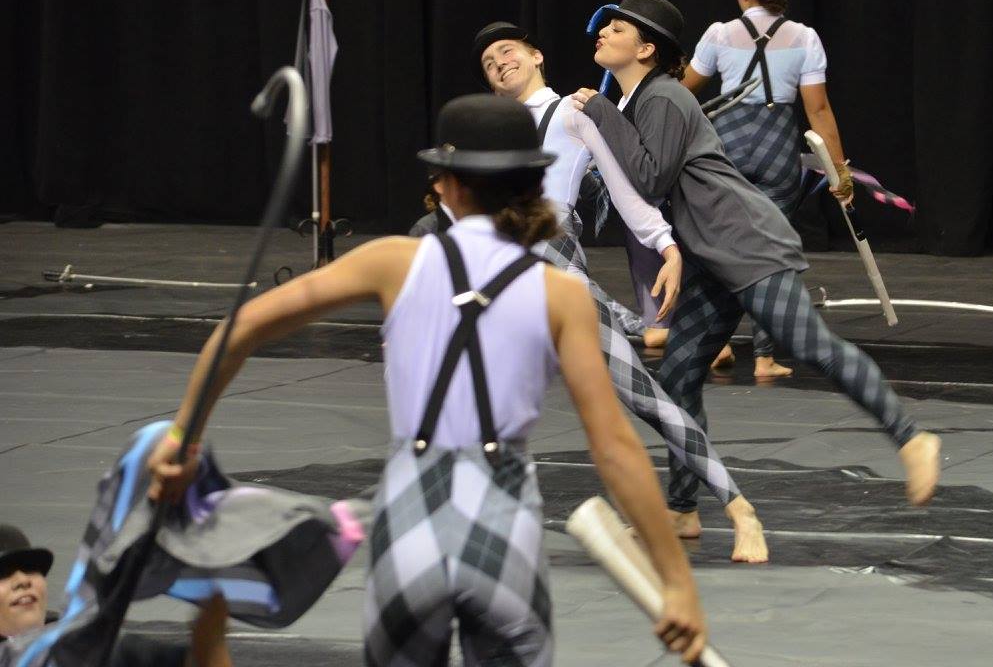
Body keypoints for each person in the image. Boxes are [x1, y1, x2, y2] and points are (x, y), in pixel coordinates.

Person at [146, 95, 708, 665]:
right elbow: (614, 447)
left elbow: (239, 330)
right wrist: (676, 583)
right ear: (535, 183)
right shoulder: (560, 293)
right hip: (501, 528)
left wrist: (181, 441)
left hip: (409, 526)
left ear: (445, 185)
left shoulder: (394, 261)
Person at [573, 0, 942, 538]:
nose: (603, 33)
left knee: (808, 344)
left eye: (618, 30)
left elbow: (649, 180)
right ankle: (681, 507)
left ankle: (911, 437)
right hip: (709, 252)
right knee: (678, 375)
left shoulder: (666, 97)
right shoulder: (639, 102)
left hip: (744, 241)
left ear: (646, 49)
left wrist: (600, 112)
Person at [471, 22, 767, 562]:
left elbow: (626, 190)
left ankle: (740, 509)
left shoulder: (573, 114)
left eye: (507, 51)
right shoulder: (489, 132)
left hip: (557, 279)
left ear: (536, 55)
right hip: (502, 281)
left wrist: (667, 246)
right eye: (489, 63)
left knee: (649, 402)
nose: (499, 63)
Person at [682, 0, 853, 379]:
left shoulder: (719, 34)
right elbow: (818, 110)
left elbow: (686, 90)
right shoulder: (805, 38)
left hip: (727, 147)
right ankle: (764, 357)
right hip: (777, 149)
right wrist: (840, 171)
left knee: (720, 243)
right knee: (770, 252)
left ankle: (716, 343)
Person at [0, 524, 231, 667]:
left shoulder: (86, 644)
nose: (23, 580)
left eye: (30, 569)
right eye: (3, 574)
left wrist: (211, 642)